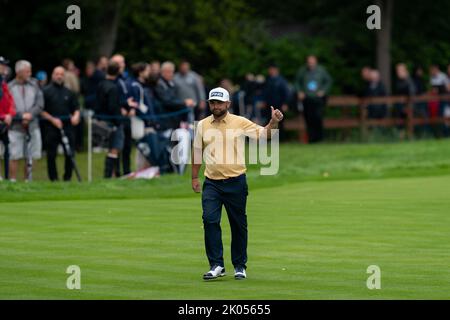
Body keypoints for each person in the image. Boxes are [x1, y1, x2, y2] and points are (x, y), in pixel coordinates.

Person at [191, 87, 284, 281]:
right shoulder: (202, 125)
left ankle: (239, 266)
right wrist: (194, 177)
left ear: (227, 104)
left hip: (236, 182)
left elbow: (265, 135)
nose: (215, 106)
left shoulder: (239, 122)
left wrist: (273, 122)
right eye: (212, 103)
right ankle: (216, 265)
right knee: (209, 220)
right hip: (212, 183)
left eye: (219, 103)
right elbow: (197, 152)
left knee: (238, 225)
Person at [41, 66, 80, 181]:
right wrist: (53, 120)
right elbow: (41, 110)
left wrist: (76, 116)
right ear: (53, 75)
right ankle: (53, 179)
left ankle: (67, 178)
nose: (59, 76)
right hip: (51, 127)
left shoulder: (69, 92)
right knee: (51, 155)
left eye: (61, 74)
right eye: (57, 74)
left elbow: (76, 108)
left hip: (67, 127)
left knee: (70, 153)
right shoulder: (46, 91)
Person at [8, 60, 44, 182]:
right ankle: (12, 181)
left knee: (32, 155)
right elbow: (9, 106)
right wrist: (21, 116)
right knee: (14, 154)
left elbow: (40, 104)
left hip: (32, 125)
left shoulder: (35, 85)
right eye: (27, 71)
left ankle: (27, 181)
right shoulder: (9, 87)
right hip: (15, 126)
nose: (30, 73)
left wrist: (30, 115)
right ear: (19, 72)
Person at [96, 61, 124, 178]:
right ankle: (110, 175)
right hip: (112, 121)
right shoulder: (113, 87)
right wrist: (119, 120)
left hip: (102, 119)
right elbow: (112, 107)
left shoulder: (101, 84)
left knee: (111, 150)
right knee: (114, 149)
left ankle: (113, 174)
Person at [295, 55, 332, 143]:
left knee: (318, 118)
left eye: (312, 62)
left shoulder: (321, 70)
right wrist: (299, 91)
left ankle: (320, 138)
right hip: (307, 99)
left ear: (316, 62)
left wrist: (323, 91)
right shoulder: (302, 71)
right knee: (308, 119)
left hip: (318, 99)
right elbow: (297, 82)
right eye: (309, 62)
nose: (310, 64)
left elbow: (328, 81)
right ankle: (311, 139)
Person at [154, 61, 196, 130]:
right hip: (164, 118)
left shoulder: (170, 83)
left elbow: (174, 98)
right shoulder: (159, 84)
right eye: (170, 72)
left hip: (172, 118)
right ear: (164, 72)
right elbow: (167, 101)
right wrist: (184, 102)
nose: (172, 74)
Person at [111, 54, 133, 175]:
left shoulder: (126, 78)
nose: (121, 65)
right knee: (117, 146)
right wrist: (121, 107)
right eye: (118, 63)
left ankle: (127, 171)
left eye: (122, 62)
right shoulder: (112, 79)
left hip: (127, 116)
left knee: (127, 146)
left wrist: (131, 106)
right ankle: (117, 172)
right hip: (117, 117)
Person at [0, 56, 16, 180]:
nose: (4, 67)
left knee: (6, 150)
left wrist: (10, 114)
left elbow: (10, 101)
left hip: (4, 122)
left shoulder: (3, 82)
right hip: (2, 119)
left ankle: (5, 178)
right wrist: (3, 116)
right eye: (2, 64)